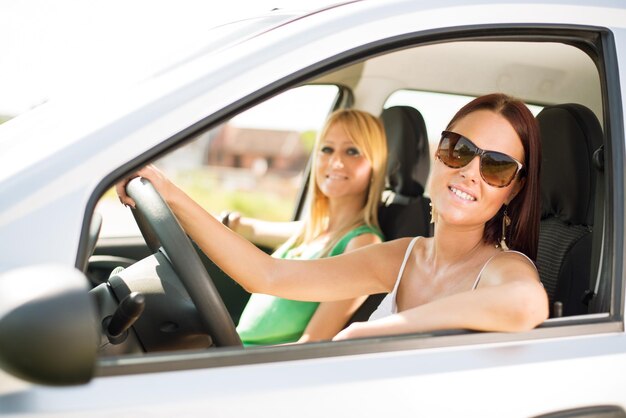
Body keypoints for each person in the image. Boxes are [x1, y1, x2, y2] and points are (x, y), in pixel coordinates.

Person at [118, 93, 549, 342]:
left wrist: (372, 333)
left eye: (496, 167)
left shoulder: (503, 267)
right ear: (437, 155)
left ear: (513, 190)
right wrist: (169, 193)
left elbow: (526, 304)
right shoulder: (401, 257)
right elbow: (268, 275)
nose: (470, 172)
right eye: (459, 150)